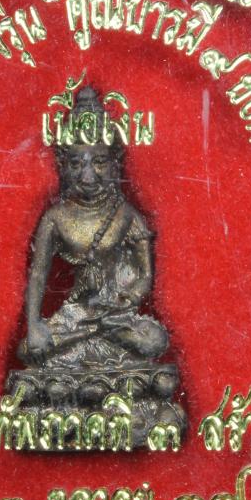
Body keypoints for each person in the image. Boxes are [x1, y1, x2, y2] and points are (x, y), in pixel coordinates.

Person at [19, 86, 168, 371]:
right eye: (76, 163)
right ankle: (92, 346)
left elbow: (145, 274)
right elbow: (38, 275)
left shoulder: (125, 215)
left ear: (114, 165)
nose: (87, 176)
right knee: (29, 348)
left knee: (155, 341)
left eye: (99, 162)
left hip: (117, 316)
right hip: (75, 318)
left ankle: (100, 343)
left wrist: (126, 300)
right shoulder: (56, 217)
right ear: (63, 166)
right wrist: (34, 324)